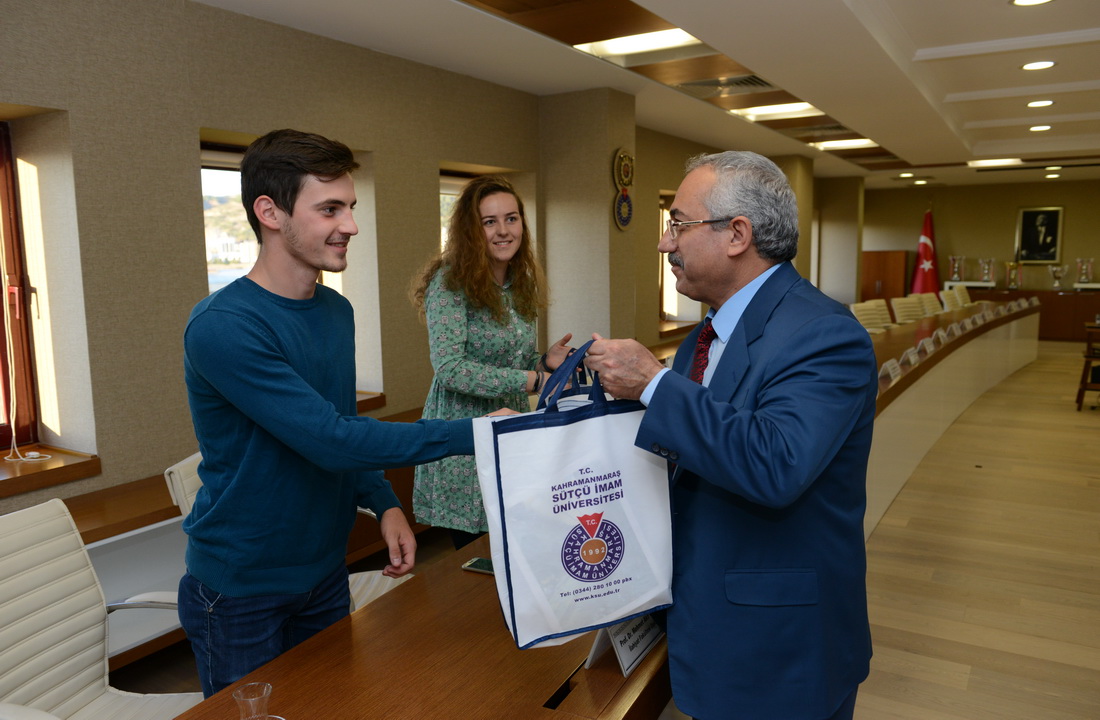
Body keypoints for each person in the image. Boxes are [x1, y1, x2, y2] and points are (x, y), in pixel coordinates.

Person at [180, 129, 514, 697]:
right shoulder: (224, 326)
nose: (352, 225)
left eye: (351, 207)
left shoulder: (335, 310)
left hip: (324, 571)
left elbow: (339, 423)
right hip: (242, 590)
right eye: (330, 209)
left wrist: (384, 501)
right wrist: (478, 431)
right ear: (270, 213)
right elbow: (332, 440)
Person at [584, 151, 877, 720]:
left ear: (737, 235)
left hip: (778, 648)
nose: (665, 244)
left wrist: (653, 384)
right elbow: (695, 447)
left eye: (678, 225)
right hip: (706, 621)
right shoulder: (708, 332)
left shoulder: (824, 335)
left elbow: (775, 463)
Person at [410, 175, 572, 549]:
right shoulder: (449, 283)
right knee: (477, 558)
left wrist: (543, 362)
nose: (503, 231)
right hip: (464, 433)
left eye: (511, 219)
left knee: (517, 548)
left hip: (511, 427)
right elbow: (450, 368)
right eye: (489, 222)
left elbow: (513, 358)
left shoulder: (519, 280)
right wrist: (534, 381)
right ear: (471, 230)